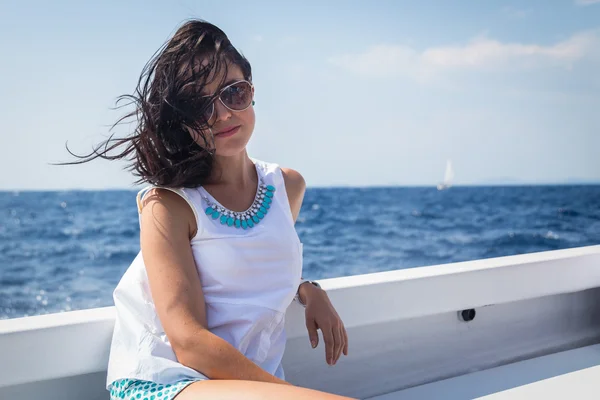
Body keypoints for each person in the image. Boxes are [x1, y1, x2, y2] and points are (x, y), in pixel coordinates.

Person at [67, 19, 352, 399]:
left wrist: (308, 289)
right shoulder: (167, 204)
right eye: (199, 106)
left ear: (252, 91)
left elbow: (248, 269)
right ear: (182, 122)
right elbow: (189, 341)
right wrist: (288, 393)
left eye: (234, 93)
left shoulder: (287, 187)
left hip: (244, 386)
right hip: (168, 381)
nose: (221, 114)